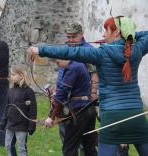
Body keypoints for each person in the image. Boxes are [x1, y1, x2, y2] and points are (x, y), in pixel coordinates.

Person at [28, 16, 148, 156]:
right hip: (136, 115)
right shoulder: (138, 49)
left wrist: (39, 49)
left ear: (116, 33)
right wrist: (128, 36)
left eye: (106, 31)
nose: (103, 34)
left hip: (112, 115)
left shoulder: (101, 53)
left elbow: (69, 52)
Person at [55, 23, 97, 156]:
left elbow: (94, 75)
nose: (71, 40)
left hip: (82, 103)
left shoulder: (88, 51)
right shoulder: (66, 49)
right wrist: (57, 91)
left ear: (81, 34)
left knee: (84, 143)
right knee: (67, 138)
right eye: (68, 37)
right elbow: (62, 73)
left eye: (74, 37)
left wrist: (93, 95)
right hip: (65, 100)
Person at [0, 65, 37, 156]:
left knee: (22, 149)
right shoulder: (10, 91)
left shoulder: (29, 91)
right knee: (8, 146)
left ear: (21, 75)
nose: (11, 76)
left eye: (13, 74)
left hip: (22, 126)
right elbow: (7, 107)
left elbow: (33, 110)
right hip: (10, 124)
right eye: (11, 74)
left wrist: (32, 126)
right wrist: (3, 122)